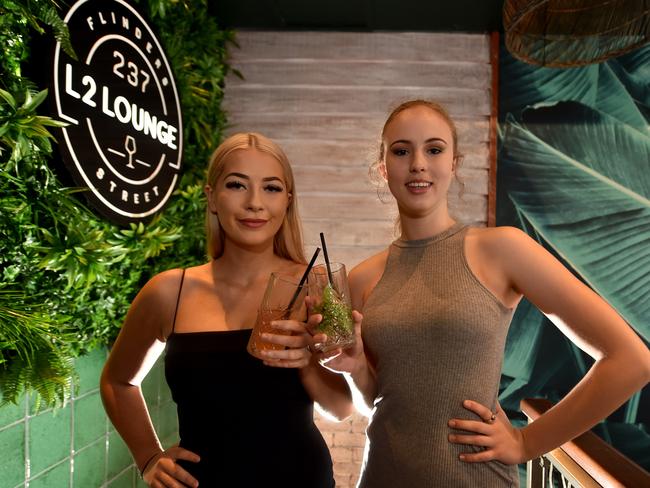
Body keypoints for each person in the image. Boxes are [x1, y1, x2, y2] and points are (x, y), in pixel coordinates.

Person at [317, 100, 650, 487]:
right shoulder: (361, 279)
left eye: (434, 149)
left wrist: (527, 442)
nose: (418, 163)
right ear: (383, 168)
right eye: (402, 150)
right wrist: (356, 369)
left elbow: (631, 360)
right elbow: (373, 401)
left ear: (455, 163)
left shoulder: (503, 249)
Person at [100, 132, 354, 488]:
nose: (254, 203)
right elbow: (117, 381)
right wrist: (149, 458)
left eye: (271, 188)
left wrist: (307, 362)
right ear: (212, 198)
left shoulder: (315, 285)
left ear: (287, 201)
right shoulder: (167, 292)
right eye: (237, 185)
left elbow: (342, 409)